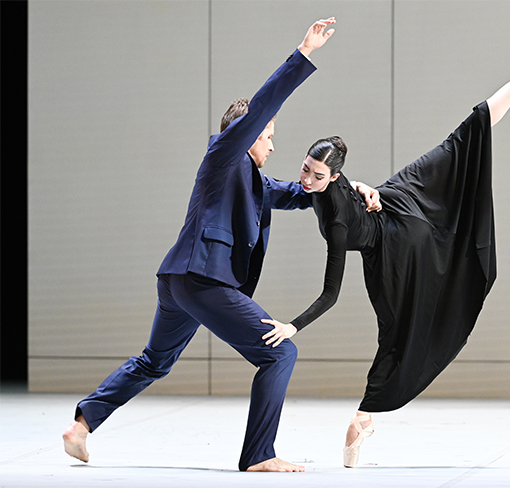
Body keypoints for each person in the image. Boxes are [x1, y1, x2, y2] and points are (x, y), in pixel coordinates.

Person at [62, 17, 380, 473]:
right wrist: (303, 54)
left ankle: (82, 425)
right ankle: (259, 454)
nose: (271, 145)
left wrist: (358, 188)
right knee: (280, 351)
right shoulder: (224, 154)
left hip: (179, 282)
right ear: (247, 136)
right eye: (267, 137)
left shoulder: (252, 178)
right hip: (202, 278)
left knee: (154, 360)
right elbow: (260, 111)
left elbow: (302, 191)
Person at [260, 26, 510, 467]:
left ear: (334, 172)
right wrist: (365, 188)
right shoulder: (334, 193)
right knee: (457, 144)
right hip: (396, 201)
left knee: (399, 338)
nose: (305, 180)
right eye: (305, 171)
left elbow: (331, 292)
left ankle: (364, 417)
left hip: (396, 247)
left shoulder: (338, 222)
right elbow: (340, 202)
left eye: (314, 174)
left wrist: (293, 326)